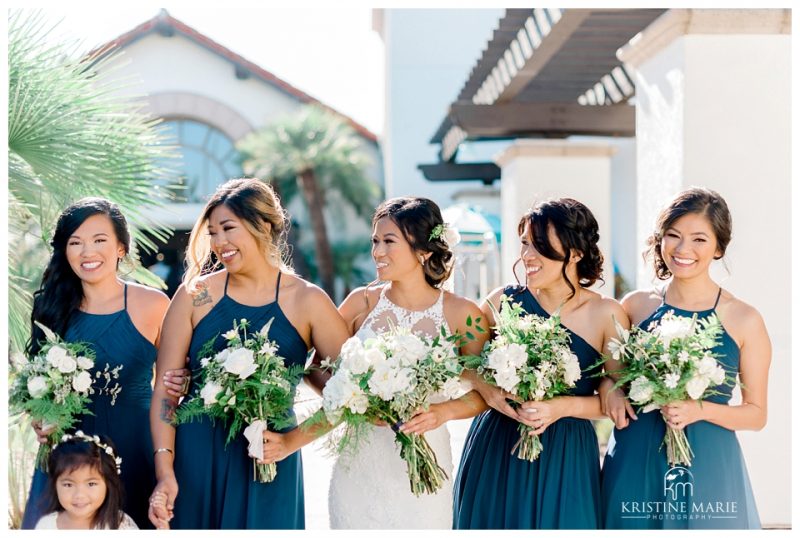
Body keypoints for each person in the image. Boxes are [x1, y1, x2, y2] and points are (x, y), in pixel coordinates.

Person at [147, 178, 349, 529]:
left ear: (264, 226)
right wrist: (165, 472)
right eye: (212, 232)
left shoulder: (308, 300)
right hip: (197, 458)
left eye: (228, 228)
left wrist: (291, 441)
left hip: (268, 461)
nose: (219, 242)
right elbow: (165, 392)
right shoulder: (196, 295)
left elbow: (351, 390)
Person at [454, 198, 627, 529]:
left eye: (540, 246)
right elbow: (461, 361)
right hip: (497, 444)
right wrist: (486, 387)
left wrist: (562, 406)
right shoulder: (500, 301)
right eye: (525, 244)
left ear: (576, 253)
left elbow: (618, 401)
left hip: (566, 454)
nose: (527, 256)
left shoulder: (607, 314)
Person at [601, 187, 768, 529]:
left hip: (708, 463)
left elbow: (756, 414)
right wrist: (610, 390)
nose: (682, 249)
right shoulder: (634, 306)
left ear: (719, 248)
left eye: (699, 239)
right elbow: (609, 374)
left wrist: (698, 410)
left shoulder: (744, 319)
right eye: (673, 235)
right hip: (636, 456)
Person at [323, 196, 489, 529]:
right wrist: (355, 402)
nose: (377, 252)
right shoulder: (361, 303)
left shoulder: (463, 314)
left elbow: (485, 392)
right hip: (360, 466)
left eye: (389, 241)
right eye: (375, 241)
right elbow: (322, 369)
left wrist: (443, 412)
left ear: (423, 251)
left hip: (427, 467)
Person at [21, 197, 185, 529]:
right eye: (75, 242)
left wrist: (184, 381)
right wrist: (40, 416)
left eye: (99, 240)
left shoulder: (154, 304)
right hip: (69, 460)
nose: (87, 252)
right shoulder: (51, 308)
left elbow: (171, 387)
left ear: (121, 247)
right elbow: (38, 387)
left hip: (135, 448)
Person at [34, 432, 138, 529]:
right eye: (68, 485)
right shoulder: (46, 526)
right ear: (55, 485)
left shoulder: (120, 525)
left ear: (108, 483)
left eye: (91, 484)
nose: (79, 495)